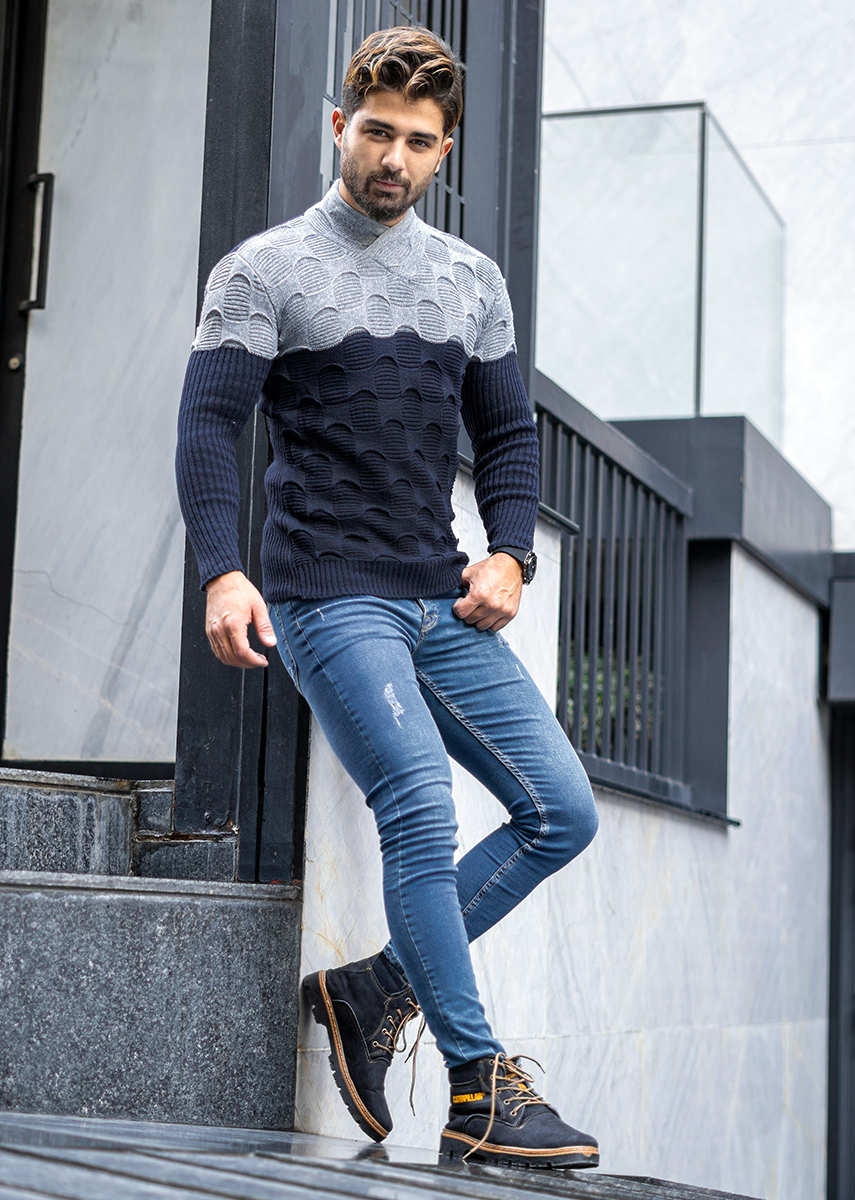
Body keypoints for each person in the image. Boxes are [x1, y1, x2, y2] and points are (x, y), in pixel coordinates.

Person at [176, 25, 599, 1169]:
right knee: (418, 803)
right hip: (328, 597)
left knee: (563, 811)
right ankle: (477, 1089)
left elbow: (508, 434)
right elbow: (210, 426)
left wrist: (511, 553)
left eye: (417, 141)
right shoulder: (265, 271)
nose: (393, 158)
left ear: (443, 149)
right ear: (339, 127)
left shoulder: (471, 282)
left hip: (437, 594)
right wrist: (222, 567)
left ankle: (370, 992)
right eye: (375, 133)